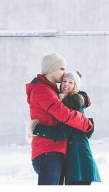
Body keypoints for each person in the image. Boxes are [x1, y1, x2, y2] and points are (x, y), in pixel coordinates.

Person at [25, 53, 93, 185]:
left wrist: (82, 98)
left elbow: (71, 95)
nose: (64, 72)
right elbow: (65, 114)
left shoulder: (52, 89)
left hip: (56, 150)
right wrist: (87, 124)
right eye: (62, 68)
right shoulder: (42, 90)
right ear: (52, 69)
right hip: (47, 151)